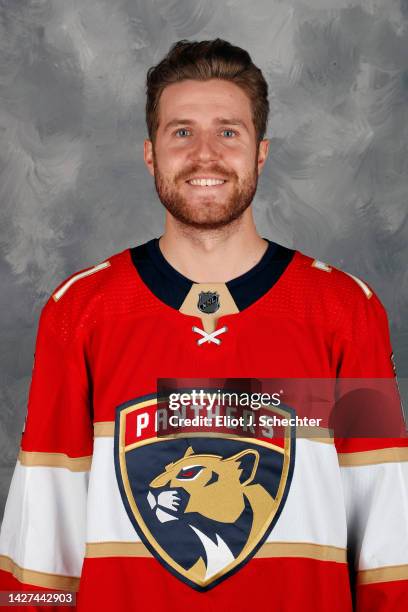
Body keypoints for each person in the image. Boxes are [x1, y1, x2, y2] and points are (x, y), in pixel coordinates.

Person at [0, 38, 407, 612]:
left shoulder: (345, 311)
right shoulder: (80, 311)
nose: (205, 154)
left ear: (261, 152)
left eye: (228, 131)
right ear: (151, 152)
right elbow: (42, 535)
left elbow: (389, 538)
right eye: (182, 131)